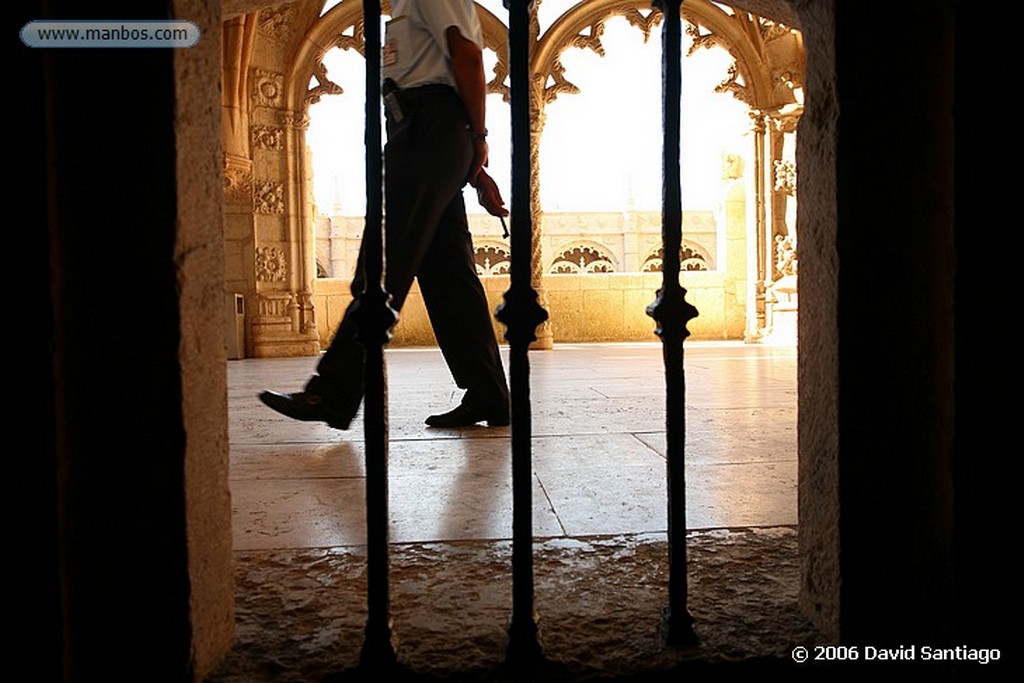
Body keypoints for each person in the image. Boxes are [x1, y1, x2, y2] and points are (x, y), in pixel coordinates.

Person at [259, 0, 510, 429]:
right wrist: (470, 156)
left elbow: (467, 56)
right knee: (448, 273)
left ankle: (332, 392)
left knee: (381, 263)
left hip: (428, 126)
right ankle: (488, 395)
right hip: (424, 128)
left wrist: (478, 139)